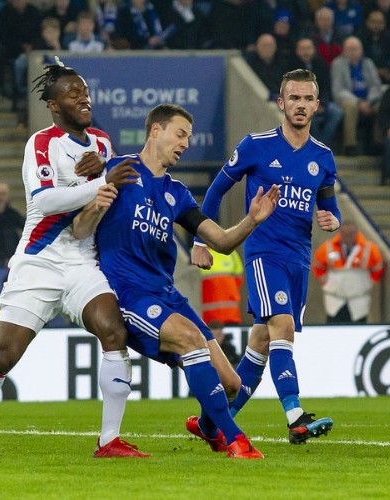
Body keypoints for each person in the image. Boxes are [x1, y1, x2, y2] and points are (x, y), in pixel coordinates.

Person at [0, 62, 149, 459]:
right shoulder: (41, 143)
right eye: (73, 94)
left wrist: (103, 169)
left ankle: (109, 440)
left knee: (113, 332)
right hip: (38, 261)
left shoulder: (101, 143)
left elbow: (111, 183)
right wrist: (99, 181)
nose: (84, 98)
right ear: (54, 105)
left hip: (82, 260)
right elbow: (43, 201)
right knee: (2, 356)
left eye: (85, 92)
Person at [83, 103, 275, 458]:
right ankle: (235, 440)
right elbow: (78, 201)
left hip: (167, 295)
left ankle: (205, 426)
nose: (185, 143)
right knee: (189, 339)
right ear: (155, 130)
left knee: (232, 384)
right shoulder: (118, 171)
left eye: (188, 136)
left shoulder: (177, 193)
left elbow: (220, 241)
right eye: (180, 134)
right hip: (127, 294)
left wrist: (252, 220)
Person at [194, 69, 339, 444]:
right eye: (294, 98)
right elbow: (216, 190)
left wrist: (332, 219)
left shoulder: (322, 157)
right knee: (284, 328)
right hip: (263, 253)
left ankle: (212, 423)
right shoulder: (256, 145)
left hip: (299, 258)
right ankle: (295, 417)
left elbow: (329, 205)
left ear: (317, 105)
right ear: (281, 102)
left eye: (308, 99)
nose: (301, 105)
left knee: (261, 343)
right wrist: (202, 240)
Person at [312, 221, 384, 324]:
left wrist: (369, 283)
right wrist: (326, 282)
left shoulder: (369, 248)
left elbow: (378, 268)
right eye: (345, 235)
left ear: (356, 233)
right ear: (340, 233)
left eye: (351, 234)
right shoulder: (328, 247)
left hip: (359, 299)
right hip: (334, 298)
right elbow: (317, 265)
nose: (348, 237)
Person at [199, 247, 243, 326]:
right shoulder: (196, 254)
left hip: (231, 317)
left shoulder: (231, 253)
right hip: (206, 320)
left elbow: (239, 279)